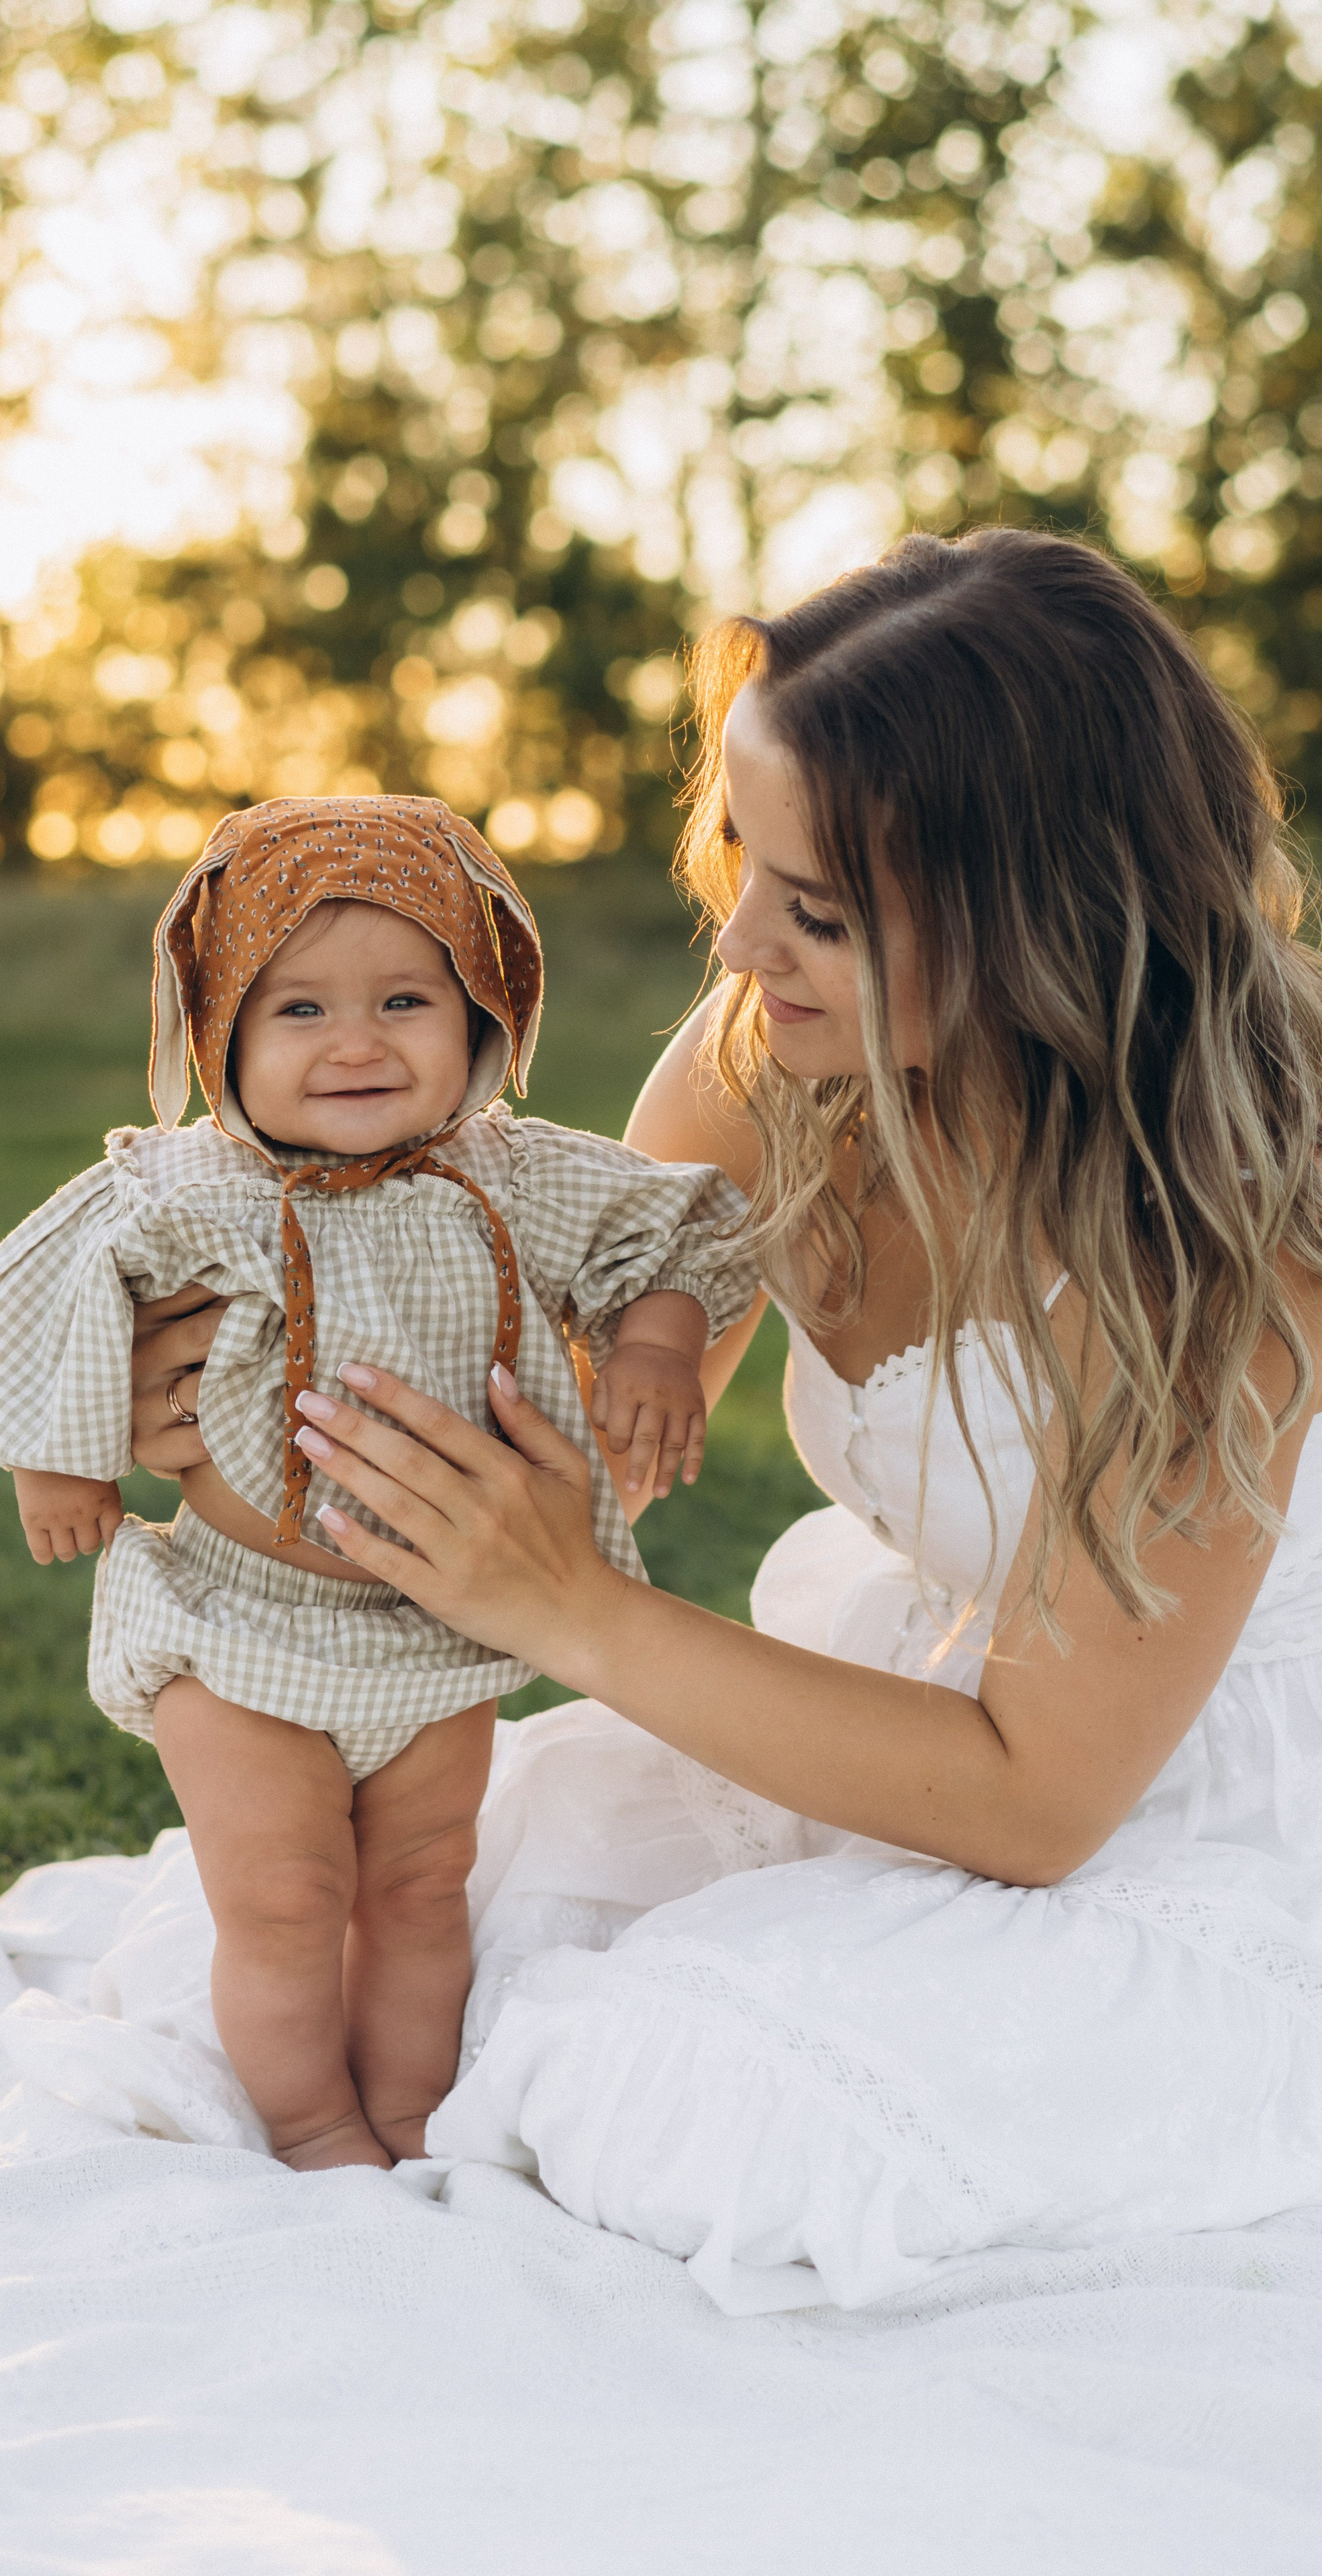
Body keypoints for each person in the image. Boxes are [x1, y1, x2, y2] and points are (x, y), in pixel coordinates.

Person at [136, 530, 1322, 2310]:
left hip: (1188, 1779)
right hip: (966, 1680)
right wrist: (240, 1404)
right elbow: (506, 1381)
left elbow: (1043, 1805)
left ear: (1044, 922)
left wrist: (576, 1615)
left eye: (819, 911)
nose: (740, 940)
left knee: (705, 2108)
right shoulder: (779, 1052)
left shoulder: (1218, 1242)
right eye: (747, 865)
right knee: (432, 1924)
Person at [0, 795, 760, 2173]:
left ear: (483, 1021)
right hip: (237, 1622)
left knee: (426, 1889)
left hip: (440, 1630)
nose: (357, 1041)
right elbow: (55, 1296)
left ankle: (415, 2111)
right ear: (219, 1040)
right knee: (290, 1896)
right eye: (297, 1010)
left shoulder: (517, 1177)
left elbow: (669, 1228)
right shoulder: (195, 1188)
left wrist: (660, 1346)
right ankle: (311, 2121)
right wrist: (55, 1459)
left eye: (405, 1000)